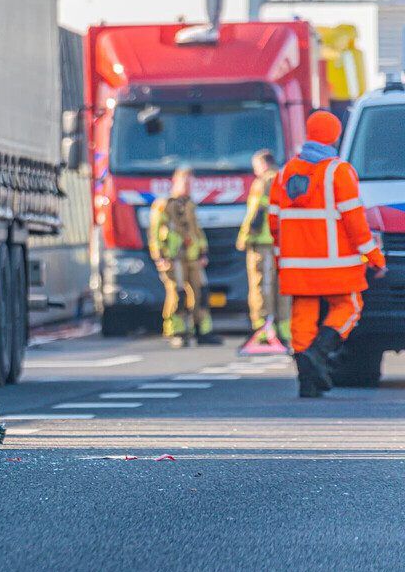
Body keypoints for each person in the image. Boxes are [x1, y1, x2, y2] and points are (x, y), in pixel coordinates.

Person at [268, 110, 387, 398]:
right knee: (350, 306)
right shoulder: (338, 172)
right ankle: (320, 352)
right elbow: (355, 223)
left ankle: (307, 380)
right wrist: (375, 258)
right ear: (334, 135)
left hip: (297, 265)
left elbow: (274, 223)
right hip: (337, 265)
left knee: (302, 317)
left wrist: (281, 261)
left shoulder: (284, 174)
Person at [148, 166, 224, 348]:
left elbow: (196, 231)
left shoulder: (189, 205)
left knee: (201, 292)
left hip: (193, 257)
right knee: (178, 293)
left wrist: (203, 251)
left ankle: (202, 330)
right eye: (185, 182)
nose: (189, 187)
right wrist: (160, 256)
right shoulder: (163, 205)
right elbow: (155, 233)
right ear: (175, 182)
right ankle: (177, 331)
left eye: (191, 183)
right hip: (174, 257)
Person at [237, 150, 291, 340]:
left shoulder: (263, 182)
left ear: (263, 164)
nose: (255, 171)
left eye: (256, 167)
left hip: (263, 242)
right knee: (282, 287)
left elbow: (256, 213)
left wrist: (243, 238)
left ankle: (263, 329)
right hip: (283, 241)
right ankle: (284, 327)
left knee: (262, 285)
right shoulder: (285, 178)